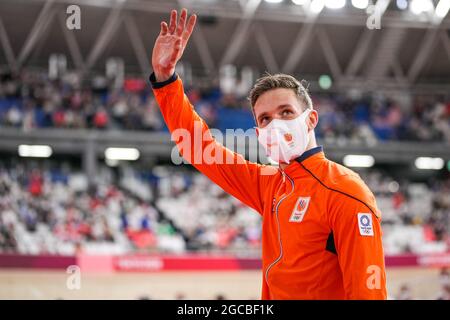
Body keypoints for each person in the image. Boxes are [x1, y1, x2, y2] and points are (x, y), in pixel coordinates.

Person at [149, 9, 387, 300]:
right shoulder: (270, 185)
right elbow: (198, 148)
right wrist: (165, 80)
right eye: (264, 119)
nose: (275, 125)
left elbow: (368, 294)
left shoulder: (346, 192)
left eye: (286, 112)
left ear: (311, 119)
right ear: (258, 131)